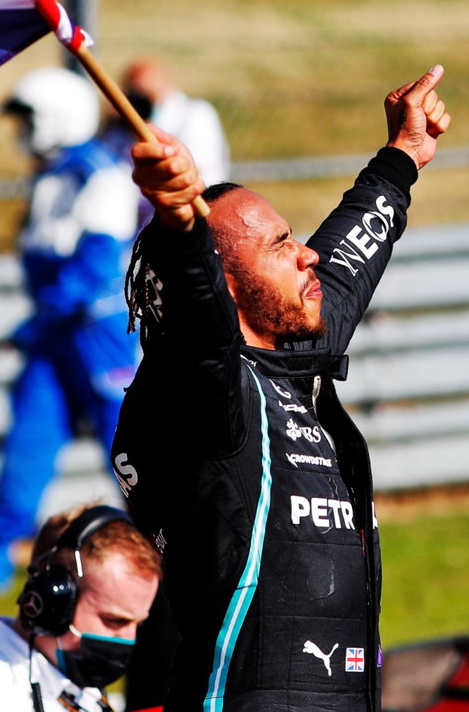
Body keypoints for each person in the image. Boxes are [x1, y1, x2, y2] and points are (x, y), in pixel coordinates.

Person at [111, 65, 451, 712]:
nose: (308, 254)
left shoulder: (291, 360)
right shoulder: (202, 392)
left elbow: (347, 266)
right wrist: (180, 224)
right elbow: (195, 314)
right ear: (226, 285)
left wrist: (401, 158)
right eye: (281, 245)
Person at [0, 68, 140, 593]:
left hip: (99, 335)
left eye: (26, 119)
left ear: (55, 118)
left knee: (128, 448)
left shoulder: (102, 176)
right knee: (28, 438)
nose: (20, 131)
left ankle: (169, 545)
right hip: (54, 332)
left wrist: (37, 318)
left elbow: (95, 269)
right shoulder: (50, 176)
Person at [0, 503, 161, 712]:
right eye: (114, 621)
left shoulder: (74, 690)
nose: (129, 639)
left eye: (137, 624)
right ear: (51, 603)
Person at [115, 57, 231, 187]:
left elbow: (194, 169)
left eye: (146, 91)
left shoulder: (196, 114)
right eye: (135, 93)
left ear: (164, 84)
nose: (141, 98)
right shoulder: (120, 124)